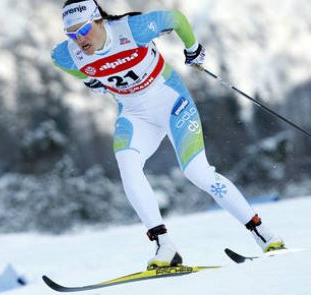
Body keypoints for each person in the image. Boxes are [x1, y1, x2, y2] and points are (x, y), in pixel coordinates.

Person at [52, 0, 285, 269]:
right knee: (128, 166)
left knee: (198, 173)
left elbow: (176, 18)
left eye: (83, 30)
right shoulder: (70, 53)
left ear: (99, 20)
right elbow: (57, 59)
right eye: (72, 34)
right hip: (135, 115)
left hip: (172, 104)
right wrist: (88, 79)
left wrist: (193, 49)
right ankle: (165, 246)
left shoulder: (132, 29)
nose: (79, 39)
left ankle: (263, 233)